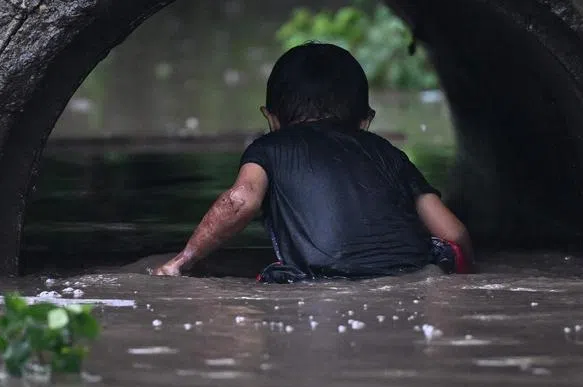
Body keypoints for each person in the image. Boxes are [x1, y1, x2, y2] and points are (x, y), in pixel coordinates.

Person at [150, 43, 474, 281]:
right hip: (413, 274)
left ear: (271, 118)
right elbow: (454, 234)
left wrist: (182, 261)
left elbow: (239, 201)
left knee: (275, 279)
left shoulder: (270, 147)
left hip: (319, 281)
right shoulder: (387, 152)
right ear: (366, 121)